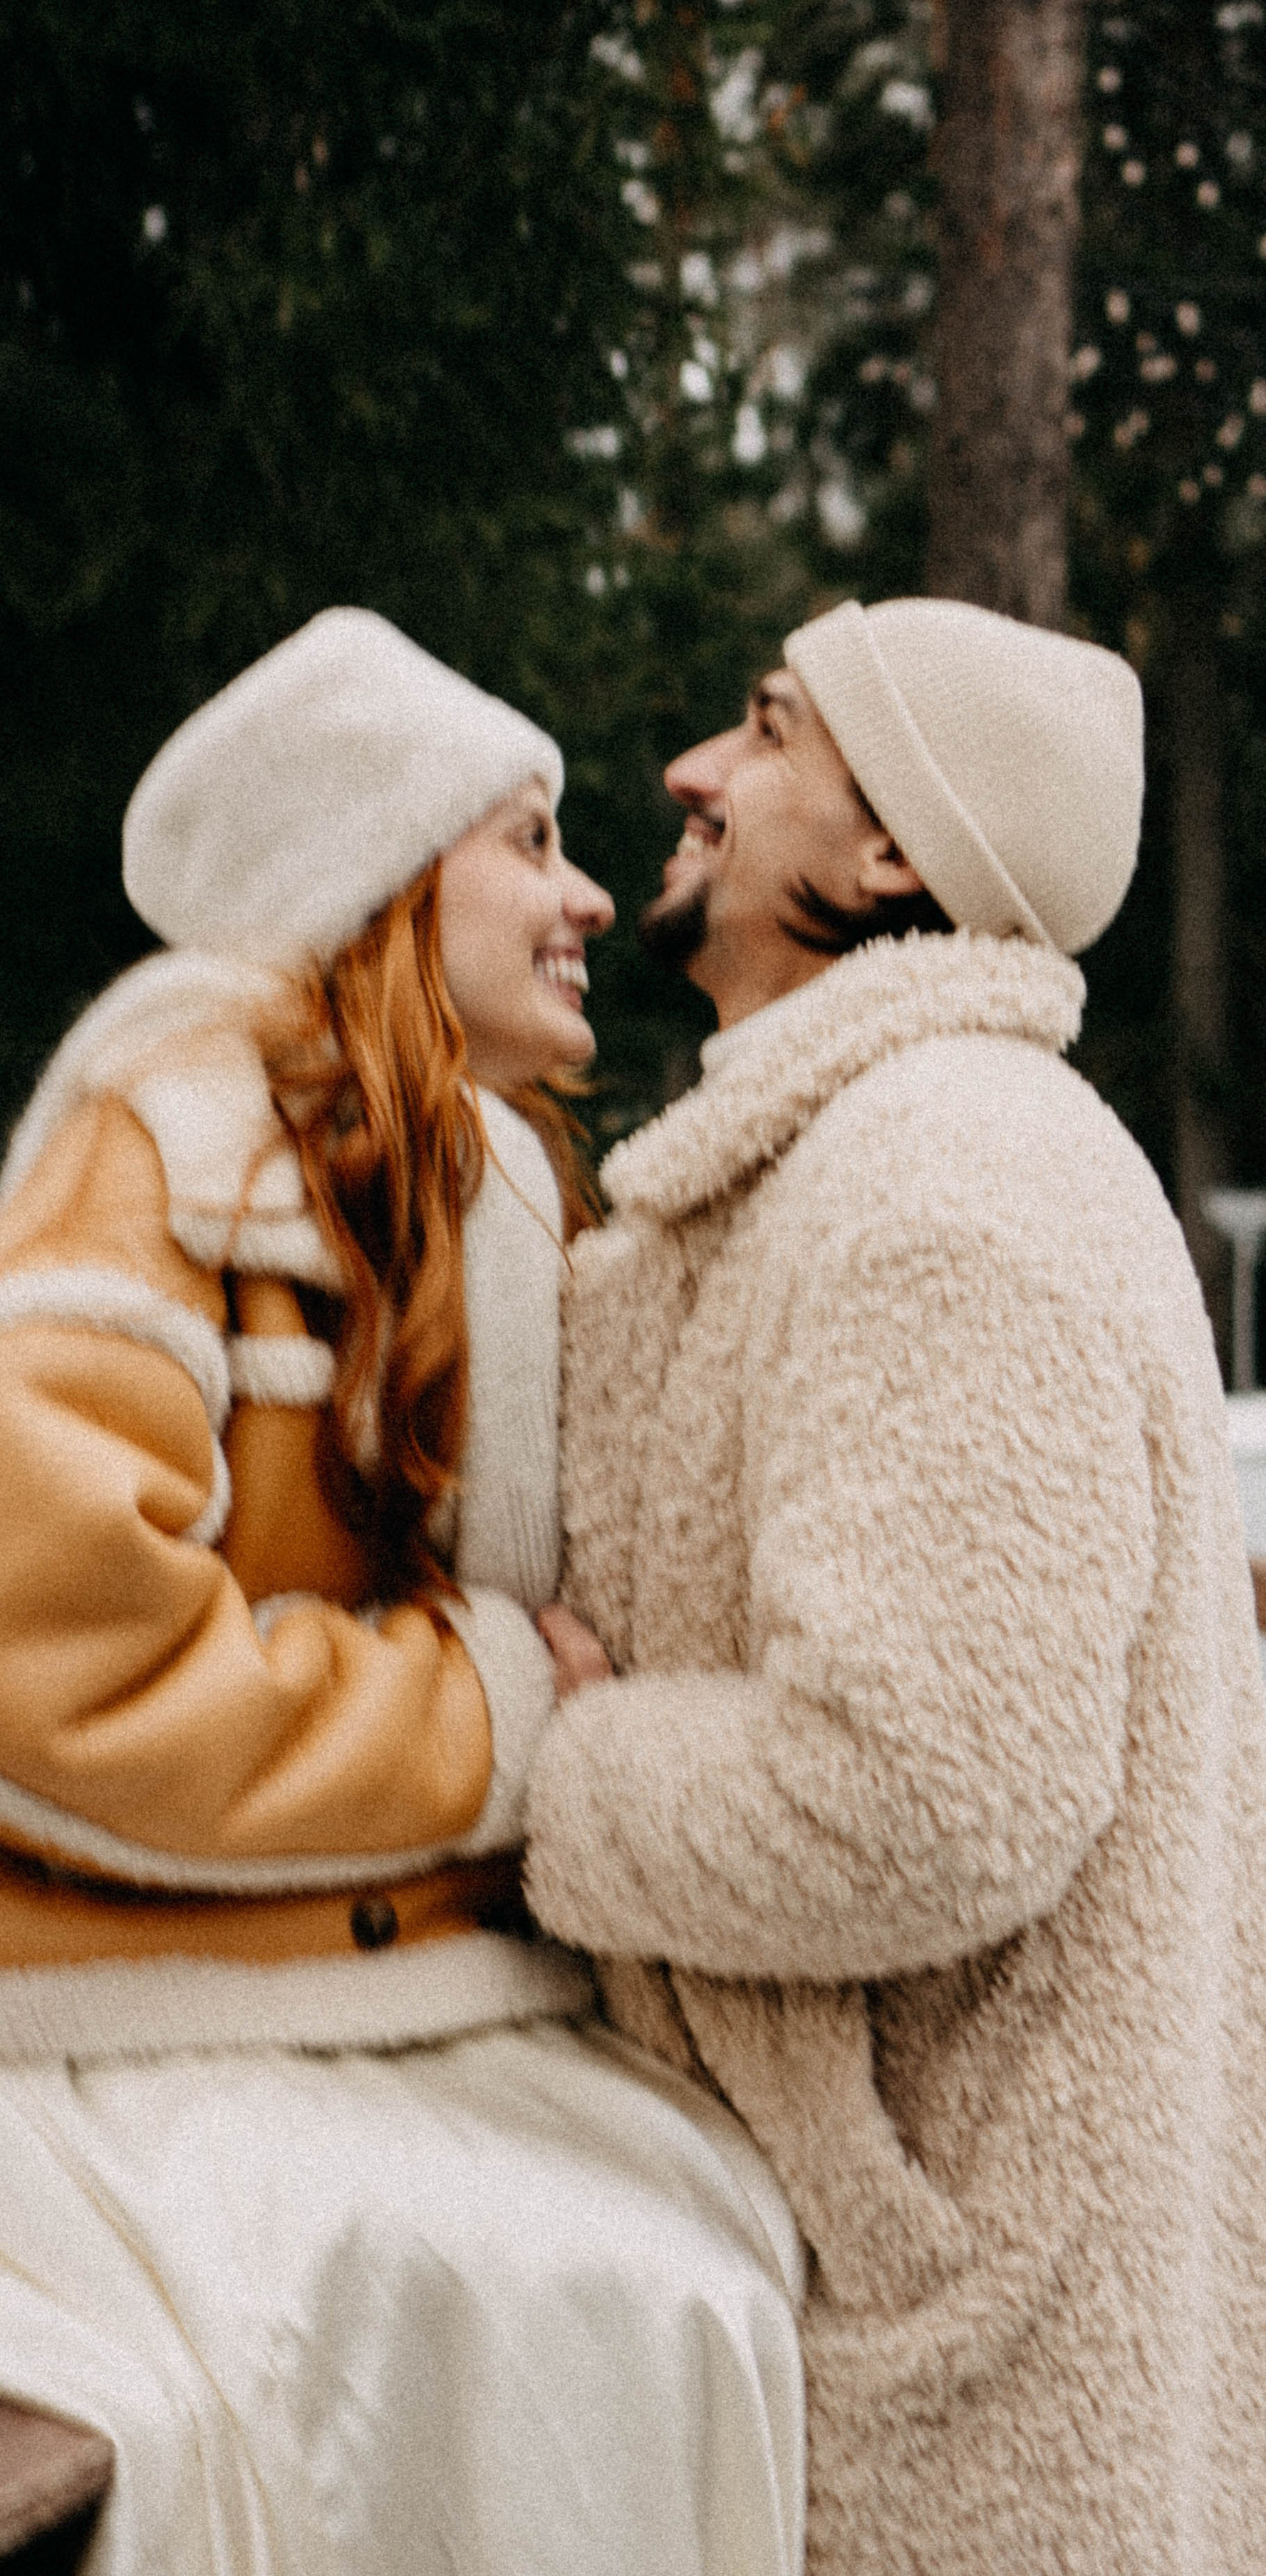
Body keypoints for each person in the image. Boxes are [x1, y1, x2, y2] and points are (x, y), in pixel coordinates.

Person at [528, 596, 1266, 2576]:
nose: (694, 773)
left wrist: (549, 1752)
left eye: (767, 731)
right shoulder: (859, 1160)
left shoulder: (948, 1181)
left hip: (983, 2406)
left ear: (893, 846)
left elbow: (927, 1794)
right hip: (906, 2323)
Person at [0, 609, 804, 2576]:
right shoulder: (164, 1158)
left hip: (381, 1991)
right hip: (135, 2015)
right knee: (589, 2300)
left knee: (712, 2262)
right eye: (529, 840)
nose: (591, 896)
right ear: (365, 875)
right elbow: (51, 1663)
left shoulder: (484, 1198)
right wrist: (499, 1711)